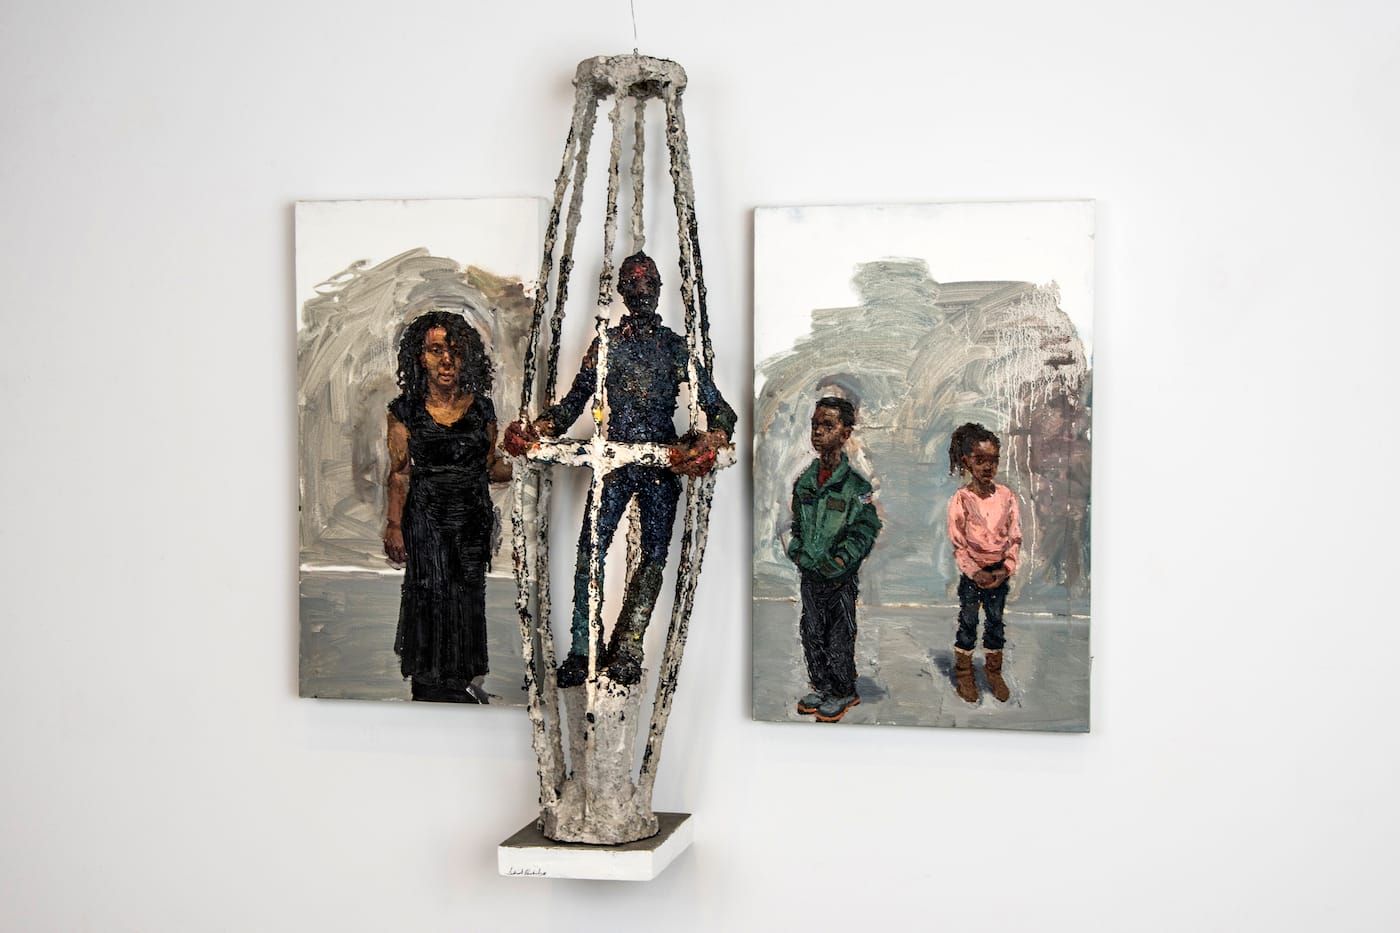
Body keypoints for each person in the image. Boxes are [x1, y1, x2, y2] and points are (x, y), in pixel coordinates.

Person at [504, 251, 735, 687]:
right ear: (622, 291)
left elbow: (721, 411)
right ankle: (583, 647)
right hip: (613, 462)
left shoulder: (674, 347)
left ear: (660, 290)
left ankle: (629, 645)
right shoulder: (606, 344)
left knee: (653, 556)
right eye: (633, 283)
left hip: (661, 467)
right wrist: (535, 431)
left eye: (649, 284)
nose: (642, 291)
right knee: (590, 550)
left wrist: (710, 439)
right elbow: (572, 405)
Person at [384, 310, 511, 703]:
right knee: (429, 594)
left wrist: (522, 457)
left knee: (468, 595)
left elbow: (491, 468)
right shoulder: (404, 411)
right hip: (426, 519)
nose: (446, 360)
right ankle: (428, 682)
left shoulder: (482, 409)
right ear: (420, 357)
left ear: (465, 357)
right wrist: (393, 525)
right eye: (436, 350)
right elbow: (400, 474)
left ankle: (459, 682)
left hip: (472, 518)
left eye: (455, 351)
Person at [787, 397, 882, 723]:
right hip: (811, 575)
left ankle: (843, 690)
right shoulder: (805, 482)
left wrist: (843, 559)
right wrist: (797, 551)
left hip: (839, 578)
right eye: (815, 424)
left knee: (839, 633)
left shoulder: (856, 486)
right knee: (811, 630)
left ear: (845, 433)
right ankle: (822, 686)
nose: (818, 432)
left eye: (828, 425)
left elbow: (867, 527)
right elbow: (795, 525)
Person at [946, 422, 1021, 704]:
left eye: (993, 460)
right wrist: (974, 572)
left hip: (999, 573)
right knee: (967, 622)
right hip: (973, 575)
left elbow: (1015, 537)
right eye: (980, 460)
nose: (988, 466)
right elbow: (958, 545)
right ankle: (965, 674)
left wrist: (1006, 568)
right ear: (967, 462)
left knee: (995, 623)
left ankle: (994, 672)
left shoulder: (1007, 496)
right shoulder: (961, 499)